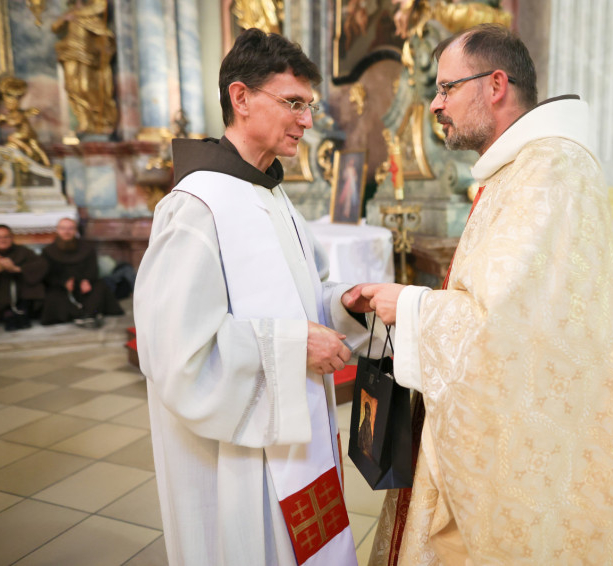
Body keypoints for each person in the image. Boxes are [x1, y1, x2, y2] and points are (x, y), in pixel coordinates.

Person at [362, 24, 613, 565]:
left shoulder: (550, 170)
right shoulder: (524, 166)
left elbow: (507, 331)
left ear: (495, 85)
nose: (435, 105)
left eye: (446, 88)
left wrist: (412, 307)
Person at [134, 29, 382, 566]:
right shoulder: (196, 206)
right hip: (238, 456)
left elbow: (297, 299)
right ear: (241, 98)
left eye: (309, 105)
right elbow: (176, 351)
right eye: (293, 103)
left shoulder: (270, 193)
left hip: (292, 434)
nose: (307, 120)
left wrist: (343, 305)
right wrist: (292, 347)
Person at [40, 218, 123, 327]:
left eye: (70, 228)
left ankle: (88, 314)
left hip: (83, 284)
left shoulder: (87, 248)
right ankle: (77, 314)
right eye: (63, 228)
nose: (67, 232)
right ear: (57, 230)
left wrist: (86, 280)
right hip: (61, 286)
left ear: (75, 231)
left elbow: (93, 268)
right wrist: (63, 283)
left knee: (100, 286)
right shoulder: (48, 251)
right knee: (52, 295)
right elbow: (48, 274)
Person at [51, 0, 117, 134]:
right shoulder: (70, 13)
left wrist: (105, 46)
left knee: (85, 87)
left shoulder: (90, 15)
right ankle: (84, 120)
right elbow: (55, 27)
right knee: (71, 87)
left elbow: (104, 33)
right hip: (69, 53)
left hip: (86, 54)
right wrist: (65, 18)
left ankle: (97, 120)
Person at [0, 224, 47, 331]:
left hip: (20, 292)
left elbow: (42, 265)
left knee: (32, 282)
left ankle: (21, 313)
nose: (2, 240)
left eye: (6, 237)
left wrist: (17, 269)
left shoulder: (22, 251)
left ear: (12, 237)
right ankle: (7, 314)